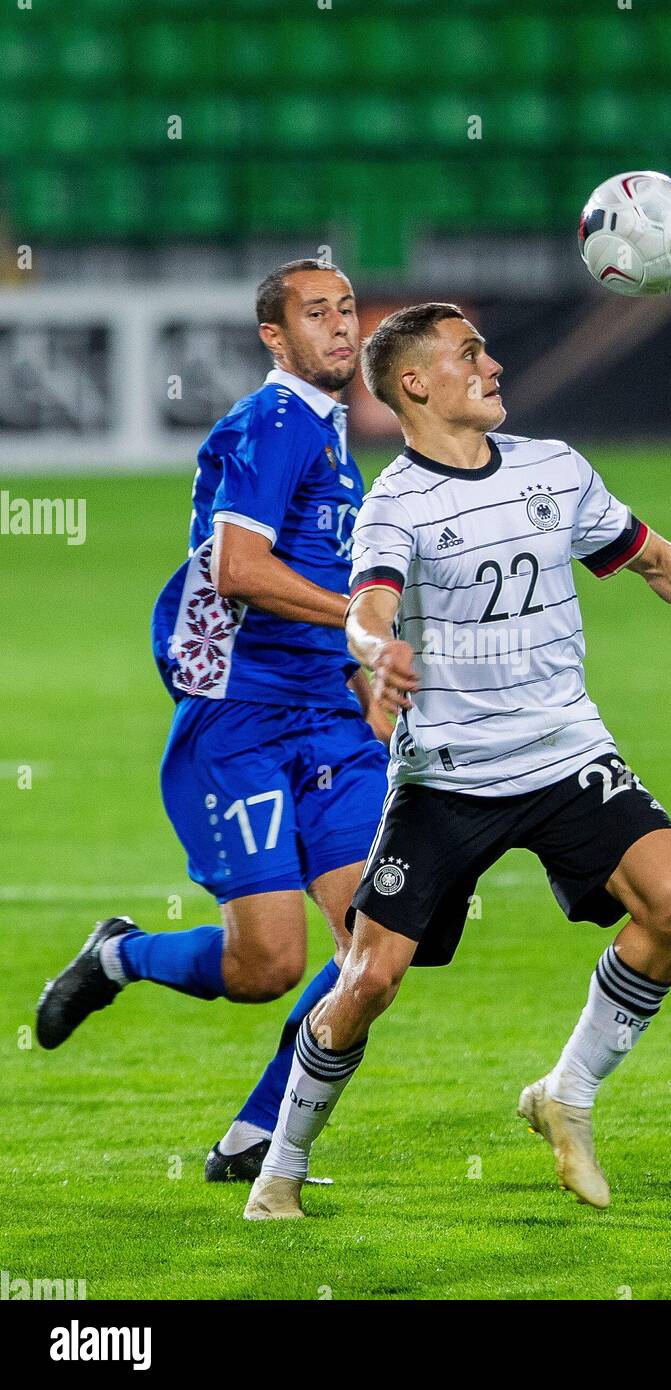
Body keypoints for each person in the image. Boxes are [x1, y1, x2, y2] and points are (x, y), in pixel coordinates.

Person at [244, 302, 671, 1219]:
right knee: (370, 979)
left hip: (565, 753)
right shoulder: (397, 500)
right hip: (449, 779)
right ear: (415, 386)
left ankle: (568, 1094)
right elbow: (369, 605)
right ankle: (282, 1165)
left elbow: (657, 561)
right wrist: (373, 649)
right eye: (470, 354)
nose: (494, 365)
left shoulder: (556, 468)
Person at [37, 261, 390, 1184]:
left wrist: (359, 675)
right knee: (269, 963)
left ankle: (258, 1133)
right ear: (275, 337)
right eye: (317, 314)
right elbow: (239, 569)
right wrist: (357, 622)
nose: (341, 328)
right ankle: (122, 956)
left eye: (348, 310)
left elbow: (313, 570)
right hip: (241, 721)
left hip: (327, 723)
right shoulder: (273, 423)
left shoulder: (330, 435)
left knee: (377, 945)